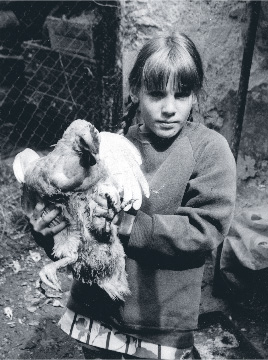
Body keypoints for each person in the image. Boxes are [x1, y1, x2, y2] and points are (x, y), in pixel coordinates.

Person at [29, 32, 236, 359]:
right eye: (156, 94)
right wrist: (55, 229)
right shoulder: (116, 146)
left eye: (181, 95)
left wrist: (129, 224)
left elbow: (205, 228)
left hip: (159, 316)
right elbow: (85, 217)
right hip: (99, 304)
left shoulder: (209, 150)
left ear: (195, 95)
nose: (169, 108)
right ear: (136, 90)